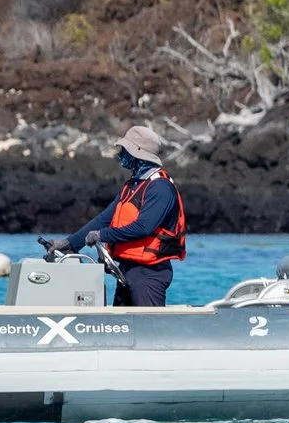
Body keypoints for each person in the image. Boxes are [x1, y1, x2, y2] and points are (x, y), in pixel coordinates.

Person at [41, 125, 187, 306]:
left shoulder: (160, 187)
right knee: (123, 320)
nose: (120, 155)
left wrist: (102, 235)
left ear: (138, 155)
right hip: (127, 269)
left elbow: (143, 227)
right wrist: (71, 243)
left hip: (149, 274)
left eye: (125, 151)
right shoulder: (132, 186)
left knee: (148, 322)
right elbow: (104, 218)